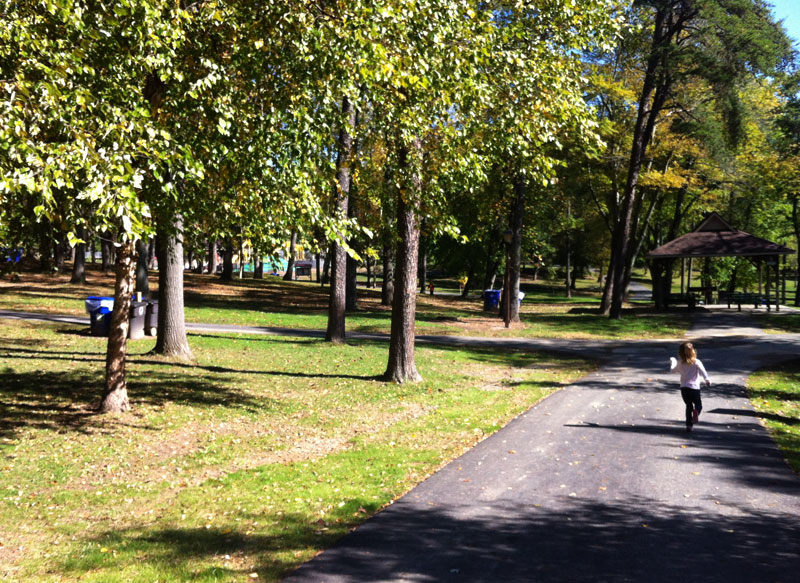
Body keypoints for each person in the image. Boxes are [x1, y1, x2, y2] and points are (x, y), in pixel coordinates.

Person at [669, 342, 711, 432]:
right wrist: (707, 380)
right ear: (693, 351)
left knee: (688, 406)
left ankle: (689, 426)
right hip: (694, 388)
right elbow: (703, 372)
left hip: (684, 388)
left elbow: (672, 371)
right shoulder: (696, 362)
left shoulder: (680, 363)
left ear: (682, 353)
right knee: (698, 405)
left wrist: (673, 361)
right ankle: (696, 412)